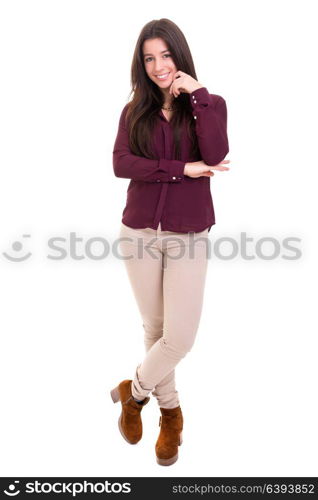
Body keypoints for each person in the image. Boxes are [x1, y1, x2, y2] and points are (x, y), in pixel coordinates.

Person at [110, 18, 230, 466]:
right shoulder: (133, 110)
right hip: (138, 232)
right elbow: (123, 164)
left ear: (179, 55)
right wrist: (181, 169)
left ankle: (133, 392)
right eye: (149, 58)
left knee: (179, 337)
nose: (159, 65)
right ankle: (172, 417)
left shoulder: (209, 105)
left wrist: (197, 95)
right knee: (156, 331)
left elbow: (215, 155)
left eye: (165, 55)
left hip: (189, 235)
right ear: (141, 64)